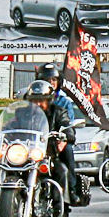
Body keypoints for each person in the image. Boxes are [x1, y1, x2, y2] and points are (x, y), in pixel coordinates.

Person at [0, 81, 77, 217]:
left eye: (41, 101)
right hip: (23, 154)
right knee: (0, 169)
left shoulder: (58, 112)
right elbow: (9, 126)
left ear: (49, 101)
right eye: (34, 100)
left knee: (62, 171)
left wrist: (65, 135)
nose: (38, 104)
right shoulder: (21, 113)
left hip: (46, 154)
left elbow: (67, 128)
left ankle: (62, 211)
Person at [36, 62, 82, 201]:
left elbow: (68, 124)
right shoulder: (30, 97)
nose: (51, 83)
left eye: (53, 80)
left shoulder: (63, 101)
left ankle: (71, 191)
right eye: (47, 80)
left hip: (54, 140)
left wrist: (65, 137)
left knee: (67, 152)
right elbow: (18, 116)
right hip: (34, 140)